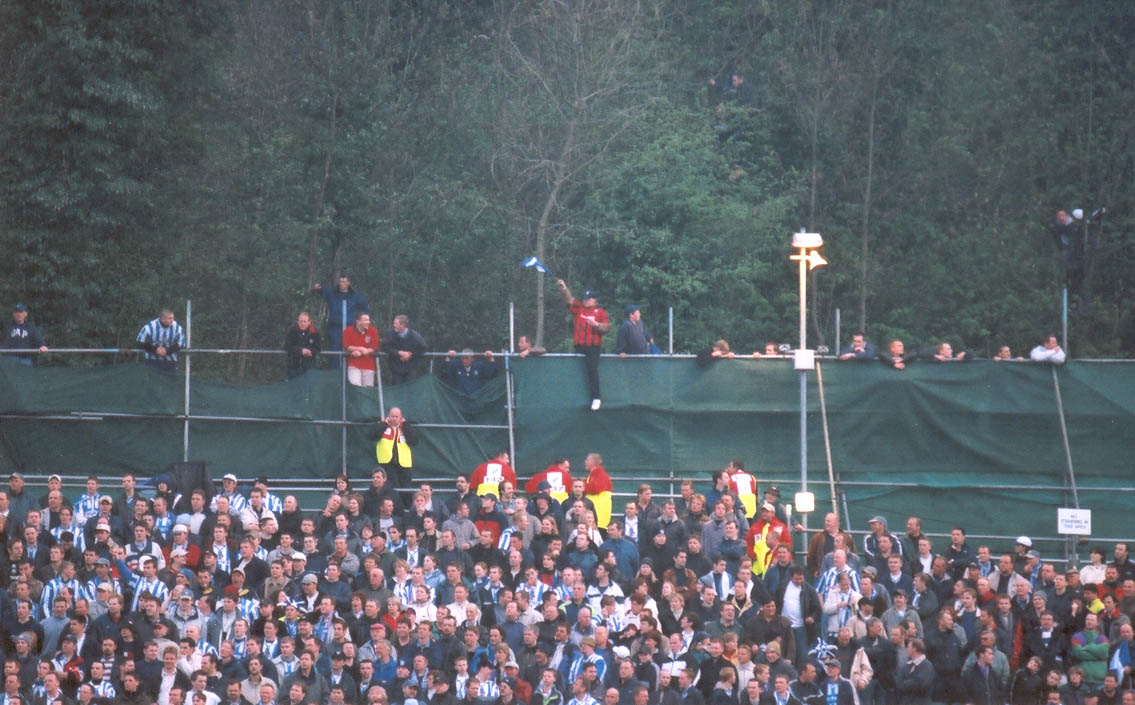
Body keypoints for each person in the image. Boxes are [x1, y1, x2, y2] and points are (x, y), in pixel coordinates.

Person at [557, 279, 609, 411]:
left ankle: (596, 397)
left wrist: (596, 325)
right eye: (585, 299)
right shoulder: (579, 308)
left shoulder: (601, 312)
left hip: (593, 346)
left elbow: (606, 328)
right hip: (579, 345)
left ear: (594, 300)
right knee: (576, 369)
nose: (586, 301)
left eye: (589, 299)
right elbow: (569, 300)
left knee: (592, 370)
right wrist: (564, 288)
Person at [313, 275, 368, 370]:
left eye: (344, 281)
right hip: (335, 329)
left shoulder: (355, 296)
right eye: (340, 281)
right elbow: (324, 290)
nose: (342, 283)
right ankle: (335, 376)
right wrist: (319, 288)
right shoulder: (333, 294)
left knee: (351, 350)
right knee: (335, 352)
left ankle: (350, 376)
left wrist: (362, 322)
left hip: (350, 328)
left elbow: (365, 306)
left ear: (348, 283)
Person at [372, 407, 417, 491]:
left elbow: (414, 441)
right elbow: (372, 436)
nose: (394, 419)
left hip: (404, 464)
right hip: (387, 463)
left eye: (397, 416)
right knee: (390, 489)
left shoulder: (406, 427)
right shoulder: (382, 426)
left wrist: (405, 425)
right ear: (388, 416)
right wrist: (384, 424)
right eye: (392, 416)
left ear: (401, 418)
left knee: (406, 490)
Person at [380, 315, 427, 385]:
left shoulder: (414, 336)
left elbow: (423, 348)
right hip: (395, 369)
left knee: (409, 391)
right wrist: (399, 353)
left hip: (410, 369)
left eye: (396, 324)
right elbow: (385, 347)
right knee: (396, 390)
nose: (394, 325)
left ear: (403, 325)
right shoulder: (390, 334)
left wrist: (409, 355)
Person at [137, 308, 186, 373]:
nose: (172, 320)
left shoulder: (177, 327)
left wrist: (167, 350)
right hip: (152, 360)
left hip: (170, 362)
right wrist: (155, 349)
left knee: (170, 382)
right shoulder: (150, 326)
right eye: (169, 318)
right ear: (162, 319)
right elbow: (140, 341)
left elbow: (181, 343)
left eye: (173, 318)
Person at [1052, 209, 1084, 299]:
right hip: (1067, 253)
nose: (1061, 218)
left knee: (1076, 276)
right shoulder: (1059, 227)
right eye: (1059, 216)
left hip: (1076, 256)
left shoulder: (1074, 227)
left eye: (1063, 216)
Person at [342, 312, 379, 387]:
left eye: (368, 320)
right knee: (355, 386)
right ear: (358, 321)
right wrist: (360, 348)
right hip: (353, 364)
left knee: (368, 389)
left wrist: (361, 352)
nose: (368, 322)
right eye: (365, 320)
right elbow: (346, 346)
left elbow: (374, 347)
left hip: (369, 365)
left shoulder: (373, 331)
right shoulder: (348, 330)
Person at [283, 312, 321, 379]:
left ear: (309, 322)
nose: (302, 323)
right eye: (300, 321)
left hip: (309, 368)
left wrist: (310, 352)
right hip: (293, 367)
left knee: (308, 388)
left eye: (304, 321)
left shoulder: (315, 333)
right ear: (298, 322)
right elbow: (287, 346)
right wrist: (300, 351)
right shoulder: (292, 331)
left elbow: (318, 348)